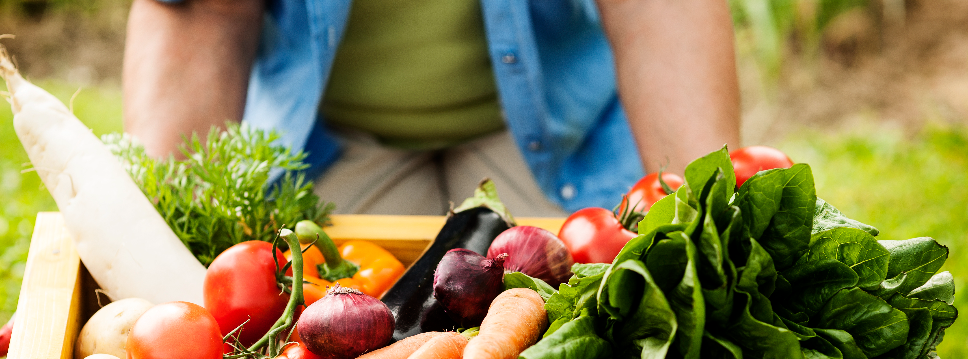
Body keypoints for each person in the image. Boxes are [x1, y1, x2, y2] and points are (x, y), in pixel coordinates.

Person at [122, 0, 740, 217]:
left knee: (609, 325)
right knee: (330, 339)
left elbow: (655, 5)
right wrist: (161, 247)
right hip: (329, 137)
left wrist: (707, 223)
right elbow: (205, 10)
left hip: (556, 130)